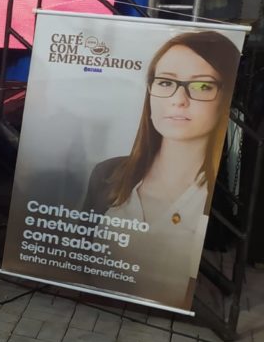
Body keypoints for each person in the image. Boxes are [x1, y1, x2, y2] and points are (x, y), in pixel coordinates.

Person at [83, 30, 240, 306]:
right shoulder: (108, 174)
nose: (179, 99)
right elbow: (79, 254)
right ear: (150, 91)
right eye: (166, 82)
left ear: (225, 97)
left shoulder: (216, 201)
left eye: (202, 86)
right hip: (98, 307)